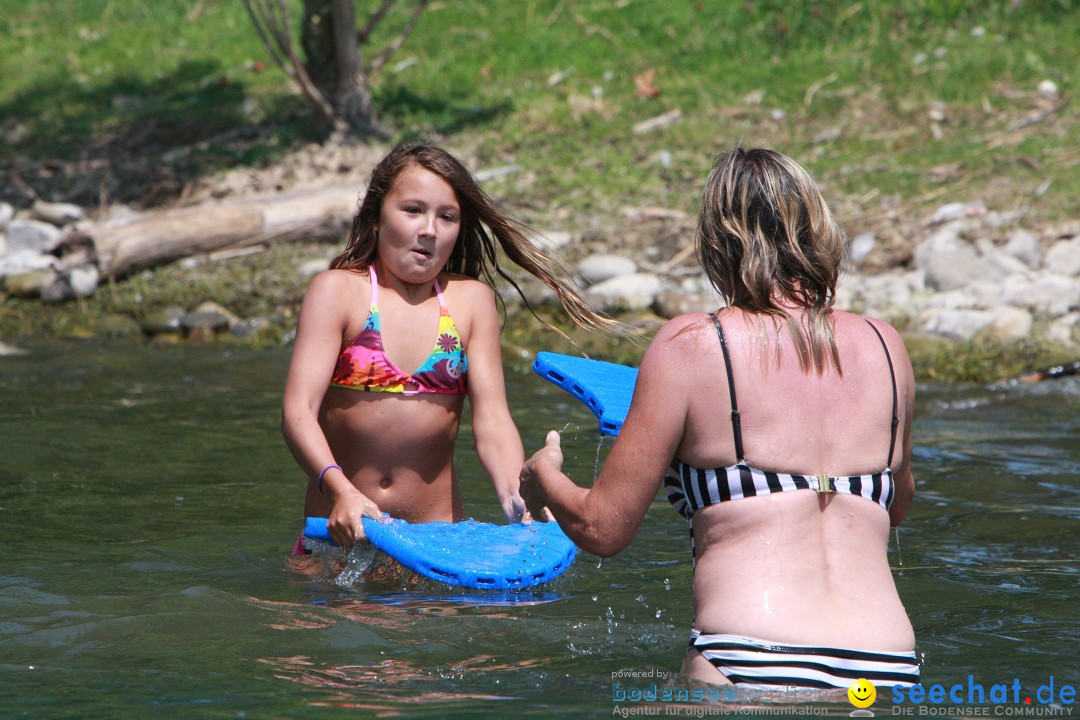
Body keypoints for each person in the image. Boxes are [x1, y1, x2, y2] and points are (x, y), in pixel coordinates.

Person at [521, 147, 920, 691]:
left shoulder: (693, 345)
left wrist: (543, 478)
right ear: (818, 229)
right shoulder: (886, 346)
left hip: (746, 655)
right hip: (886, 668)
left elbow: (603, 527)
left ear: (717, 242)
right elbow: (895, 507)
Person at [284, 143, 614, 551]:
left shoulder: (470, 302)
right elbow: (298, 412)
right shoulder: (337, 291)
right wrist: (339, 489)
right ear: (376, 216)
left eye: (447, 217)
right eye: (412, 210)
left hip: (438, 544)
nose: (430, 229)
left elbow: (492, 420)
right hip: (341, 536)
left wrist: (519, 499)